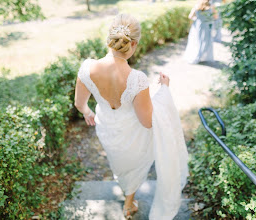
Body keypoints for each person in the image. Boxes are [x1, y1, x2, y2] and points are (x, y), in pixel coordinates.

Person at [74, 14, 189, 219]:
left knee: (118, 162)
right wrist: (163, 91)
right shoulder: (137, 80)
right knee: (134, 164)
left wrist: (87, 112)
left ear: (109, 38)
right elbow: (146, 122)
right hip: (132, 134)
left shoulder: (86, 68)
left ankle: (128, 200)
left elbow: (79, 103)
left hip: (107, 128)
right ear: (133, 44)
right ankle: (129, 202)